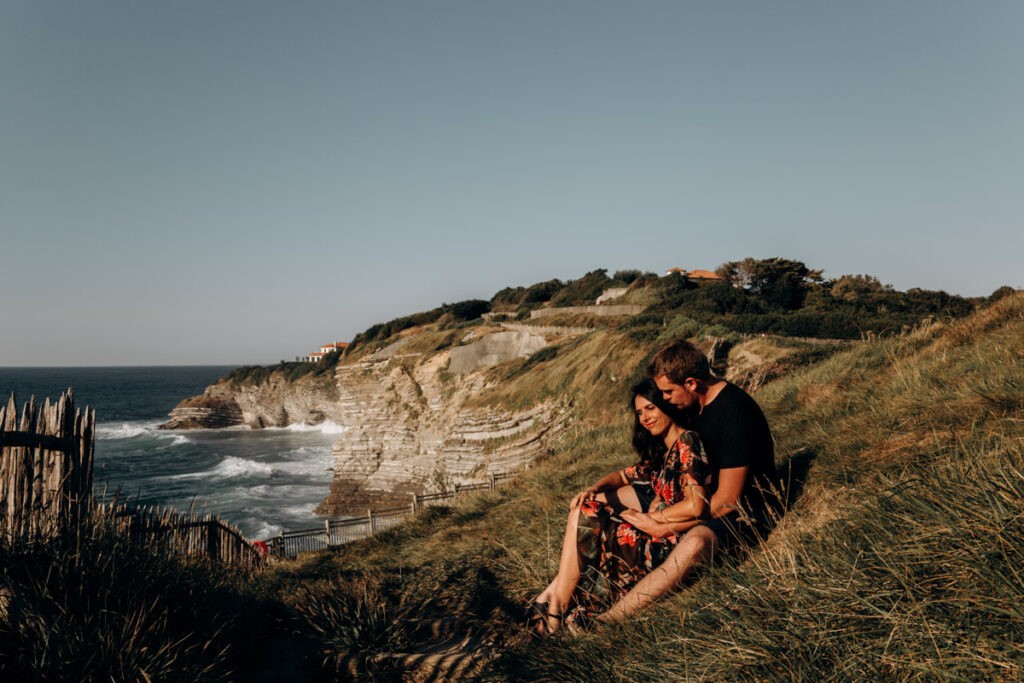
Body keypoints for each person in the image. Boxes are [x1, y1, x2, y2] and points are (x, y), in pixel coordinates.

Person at [599, 338, 777, 623]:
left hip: (743, 512)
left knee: (694, 543)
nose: (664, 399)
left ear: (692, 383)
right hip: (694, 497)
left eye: (668, 392)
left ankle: (611, 619)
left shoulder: (735, 414)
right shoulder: (695, 406)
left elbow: (727, 502)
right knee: (599, 501)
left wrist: (661, 521)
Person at [529, 378, 712, 635]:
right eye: (639, 413)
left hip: (666, 543)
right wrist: (593, 489)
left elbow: (696, 506)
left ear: (665, 406)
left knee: (588, 515)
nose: (645, 418)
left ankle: (556, 606)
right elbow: (622, 476)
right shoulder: (664, 453)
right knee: (587, 509)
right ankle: (558, 602)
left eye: (650, 409)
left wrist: (653, 518)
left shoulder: (688, 442)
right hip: (651, 535)